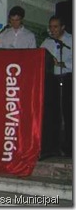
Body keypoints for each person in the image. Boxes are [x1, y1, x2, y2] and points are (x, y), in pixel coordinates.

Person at [40, 15, 72, 157]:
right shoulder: (47, 42)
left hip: (68, 79)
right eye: (51, 27)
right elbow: (39, 57)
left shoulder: (71, 40)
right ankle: (52, 145)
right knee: (52, 113)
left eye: (55, 27)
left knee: (68, 113)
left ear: (63, 27)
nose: (52, 30)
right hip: (51, 80)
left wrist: (62, 64)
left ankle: (69, 146)